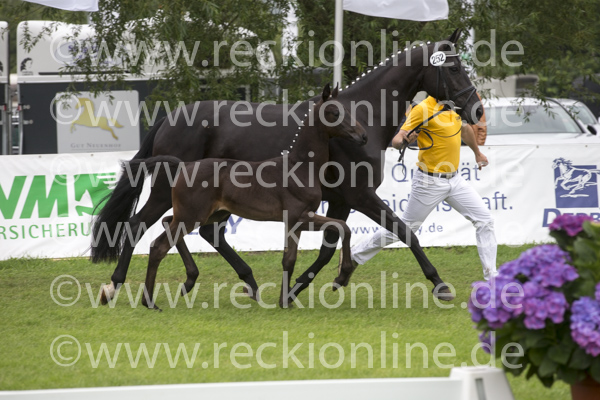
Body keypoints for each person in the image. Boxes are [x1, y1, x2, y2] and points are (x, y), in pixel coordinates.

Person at [346, 95, 498, 280]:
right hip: (429, 182)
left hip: (455, 180)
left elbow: (465, 129)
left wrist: (477, 153)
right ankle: (354, 254)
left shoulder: (453, 105)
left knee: (485, 220)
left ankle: (492, 278)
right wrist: (405, 140)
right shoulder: (422, 109)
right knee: (405, 229)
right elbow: (397, 140)